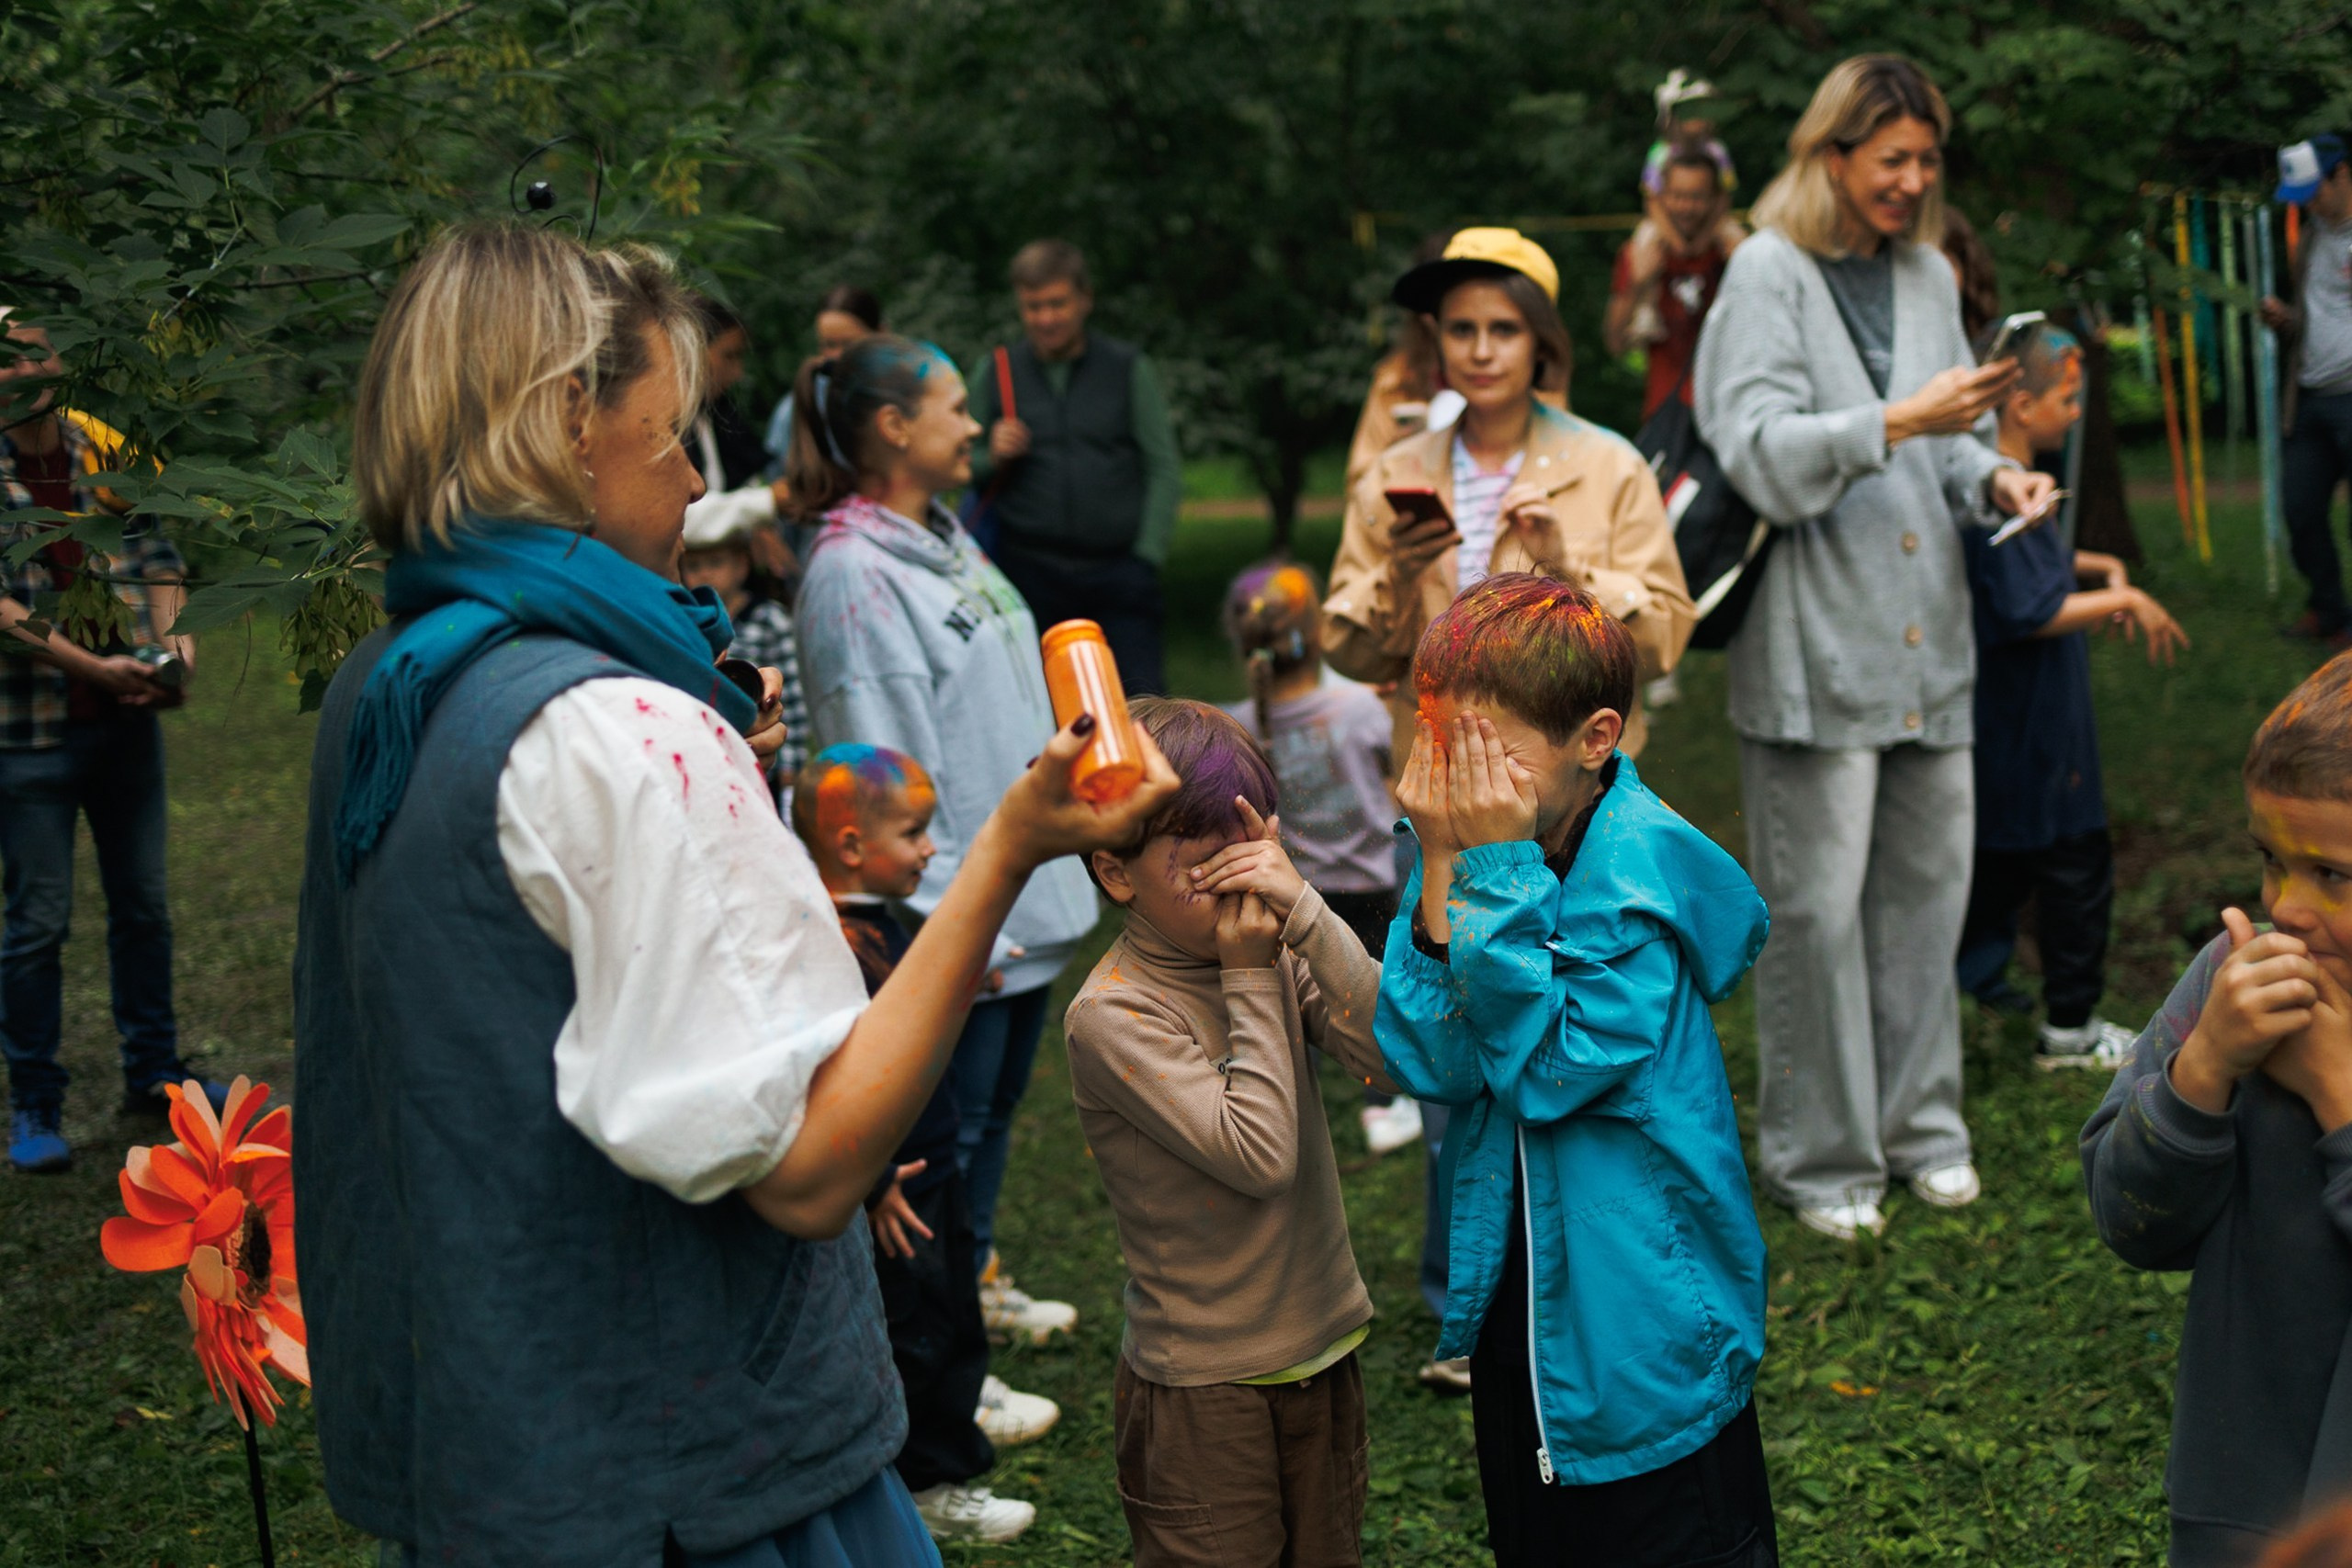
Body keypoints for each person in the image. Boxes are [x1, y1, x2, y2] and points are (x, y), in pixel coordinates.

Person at [292, 224, 1174, 1566]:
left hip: (506, 1446)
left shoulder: (393, 678)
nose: (701, 483)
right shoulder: (618, 728)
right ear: (564, 427)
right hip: (704, 1480)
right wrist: (1007, 845)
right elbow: (812, 1165)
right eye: (671, 435)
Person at [1692, 53, 2056, 1242]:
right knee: (1815, 916)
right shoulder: (1765, 271)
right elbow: (1750, 445)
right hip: (1814, 653)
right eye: (1890, 157)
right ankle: (1822, 1156)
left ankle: (1926, 1130)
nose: (1911, 181)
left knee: (1924, 899)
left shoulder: (1925, 274)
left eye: (1926, 160)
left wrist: (1994, 467)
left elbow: (1946, 453)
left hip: (1926, 644)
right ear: (1831, 156)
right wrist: (1900, 418)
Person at [1376, 575, 1776, 1568]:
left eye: (1489, 751)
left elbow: (1547, 1068)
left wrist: (1492, 872)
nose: (1461, 781)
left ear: (1594, 739)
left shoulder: (1634, 885)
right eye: (1441, 743)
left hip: (1645, 1325)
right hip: (1533, 1301)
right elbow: (1432, 1059)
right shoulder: (1473, 842)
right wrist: (1438, 857)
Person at [788, 333, 1093, 1344]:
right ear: (892, 427)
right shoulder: (851, 575)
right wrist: (954, 915)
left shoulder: (941, 535)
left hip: (1014, 897)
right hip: (952, 911)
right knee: (936, 1146)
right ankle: (936, 1343)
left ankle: (977, 1276)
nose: (973, 424)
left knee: (988, 1120)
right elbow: (885, 769)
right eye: (953, 406)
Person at [1067, 696, 1392, 1568]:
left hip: (1322, 1346)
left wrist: (1310, 914)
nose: (1239, 885)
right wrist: (1252, 973)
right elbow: (1260, 1155)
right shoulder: (1114, 1013)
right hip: (1205, 1388)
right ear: (1117, 873)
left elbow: (1389, 1056)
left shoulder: (1270, 939)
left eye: (1252, 857)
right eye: (1206, 867)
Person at [2083, 652, 2352, 1567]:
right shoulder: (2230, 984)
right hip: (2243, 1508)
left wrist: (2333, 1095)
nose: (2288, 909)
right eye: (2270, 861)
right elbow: (2127, 1221)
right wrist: (2201, 1072)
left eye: (2334, 875)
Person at [790, 744, 1058, 1546]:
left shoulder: (877, 921)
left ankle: (954, 1427)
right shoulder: (834, 941)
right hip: (897, 1187)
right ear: (848, 845)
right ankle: (928, 1483)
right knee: (920, 1325)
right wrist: (873, 1183)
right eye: (913, 832)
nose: (930, 848)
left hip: (930, 1169)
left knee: (951, 1311)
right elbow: (835, 1071)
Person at [1323, 227, 1695, 772]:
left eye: (1504, 330)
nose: (1480, 352)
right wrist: (1399, 578)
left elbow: (1662, 646)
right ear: (1437, 339)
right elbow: (1348, 651)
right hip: (1438, 779)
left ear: (1541, 341)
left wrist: (1568, 574)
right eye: (1461, 330)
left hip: (1576, 788)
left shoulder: (1611, 465)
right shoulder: (1392, 472)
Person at [0, 310, 216, 1175]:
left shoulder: (106, 451)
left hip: (127, 726)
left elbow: (159, 554)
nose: (23, 369)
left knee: (145, 907)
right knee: (35, 924)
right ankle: (35, 1101)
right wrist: (91, 665)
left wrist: (180, 644)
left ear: (60, 358)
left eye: (35, 351)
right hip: (28, 739)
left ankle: (154, 1073)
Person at [1955, 326, 2190, 1063]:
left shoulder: (2016, 478)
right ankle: (2069, 1031)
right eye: (2067, 397)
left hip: (2024, 722)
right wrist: (2132, 600)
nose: (2078, 411)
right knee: (2074, 868)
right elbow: (2029, 609)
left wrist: (2100, 563)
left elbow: (2044, 568)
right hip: (2033, 726)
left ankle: (1974, 985)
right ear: (2020, 404)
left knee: (2001, 864)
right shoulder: (2000, 491)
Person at [1218, 559, 1413, 1156]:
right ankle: (1387, 1102)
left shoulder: (1234, 725)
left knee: (1304, 996)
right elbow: (1398, 778)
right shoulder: (1361, 709)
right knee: (1374, 993)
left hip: (1295, 891)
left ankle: (1293, 1095)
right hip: (1374, 881)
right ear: (1318, 632)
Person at [966, 239, 1182, 696]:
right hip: (1030, 572)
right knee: (1045, 709)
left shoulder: (1127, 368)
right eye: (1033, 307)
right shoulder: (998, 369)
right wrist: (992, 454)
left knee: (1142, 706)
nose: (1046, 318)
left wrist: (1147, 555)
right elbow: (961, 466)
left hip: (1120, 572)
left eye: (1057, 303)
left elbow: (1162, 466)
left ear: (1084, 299)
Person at [2261, 136, 2352, 646]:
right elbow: (2318, 316)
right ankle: (2328, 611)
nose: (2308, 205)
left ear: (2341, 175)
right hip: (2313, 396)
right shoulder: (2313, 239)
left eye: (2314, 192)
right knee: (2300, 506)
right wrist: (2285, 320)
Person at [1605, 137, 1745, 423]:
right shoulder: (1642, 253)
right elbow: (1614, 342)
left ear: (1716, 199)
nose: (1686, 207)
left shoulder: (1735, 253)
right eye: (1677, 195)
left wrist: (1744, 271)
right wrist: (1637, 284)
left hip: (1728, 413)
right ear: (1662, 196)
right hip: (1665, 414)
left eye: (1697, 197)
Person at [678, 502, 810, 800]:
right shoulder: (687, 622)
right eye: (695, 566)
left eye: (716, 563)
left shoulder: (768, 618)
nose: (706, 574)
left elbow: (793, 695)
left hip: (767, 759)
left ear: (741, 564)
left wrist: (792, 764)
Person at [1346, 230, 1462, 491]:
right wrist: (1395, 456)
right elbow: (1359, 483)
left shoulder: (1526, 375)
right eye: (1433, 300)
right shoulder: (1395, 378)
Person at [764, 285, 885, 479]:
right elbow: (779, 480)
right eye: (829, 344)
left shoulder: (906, 395)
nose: (837, 356)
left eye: (848, 343)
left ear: (881, 334)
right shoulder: (798, 407)